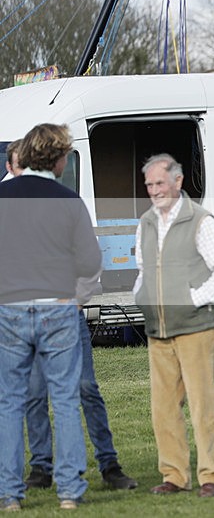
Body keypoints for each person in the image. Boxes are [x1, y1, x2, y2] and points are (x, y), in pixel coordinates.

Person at [0, 124, 102, 511]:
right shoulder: (69, 200)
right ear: (59, 159)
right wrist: (77, 299)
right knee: (64, 401)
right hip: (57, 308)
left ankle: (9, 493)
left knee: (9, 403)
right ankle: (69, 492)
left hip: (9, 307)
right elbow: (91, 262)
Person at [133, 153, 214, 498]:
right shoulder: (146, 223)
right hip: (158, 332)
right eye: (149, 184)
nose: (153, 190)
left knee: (201, 406)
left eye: (159, 183)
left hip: (196, 329)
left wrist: (193, 298)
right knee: (163, 409)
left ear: (177, 182)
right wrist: (143, 297)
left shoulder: (200, 221)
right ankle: (174, 475)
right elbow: (142, 270)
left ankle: (212, 477)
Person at [24, 270, 138, 491]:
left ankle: (109, 465)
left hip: (68, 317)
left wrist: (76, 300)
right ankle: (40, 469)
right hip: (31, 319)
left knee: (86, 388)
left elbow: (90, 263)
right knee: (35, 394)